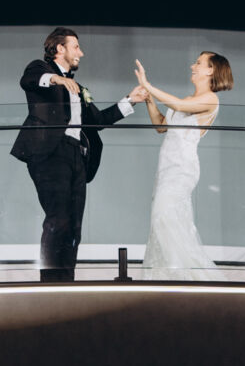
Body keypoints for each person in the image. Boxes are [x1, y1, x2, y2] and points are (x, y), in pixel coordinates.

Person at [11, 28, 146, 281]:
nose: (81, 53)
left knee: (74, 226)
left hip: (77, 156)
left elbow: (98, 120)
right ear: (59, 48)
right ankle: (51, 284)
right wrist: (57, 79)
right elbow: (29, 80)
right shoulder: (40, 69)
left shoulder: (79, 88)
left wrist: (131, 99)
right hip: (51, 153)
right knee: (58, 218)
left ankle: (66, 283)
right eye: (76, 47)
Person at [133, 51, 233, 279]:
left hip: (182, 169)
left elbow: (177, 105)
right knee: (165, 223)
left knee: (164, 219)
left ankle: (192, 279)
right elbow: (160, 125)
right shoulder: (187, 100)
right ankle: (172, 279)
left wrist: (148, 85)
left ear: (211, 70)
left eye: (198, 63)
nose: (192, 66)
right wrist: (149, 98)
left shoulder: (210, 99)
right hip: (165, 169)